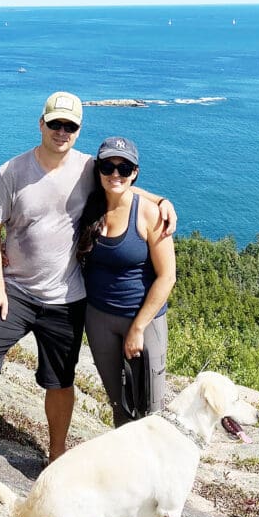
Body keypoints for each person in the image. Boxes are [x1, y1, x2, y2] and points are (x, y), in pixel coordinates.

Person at [0, 91, 176, 493]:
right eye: (55, 124)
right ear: (40, 124)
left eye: (70, 126)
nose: (62, 131)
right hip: (17, 293)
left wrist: (162, 200)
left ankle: (56, 456)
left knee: (59, 382)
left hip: (68, 298)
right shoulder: (11, 172)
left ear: (78, 131)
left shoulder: (87, 169)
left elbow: (121, 184)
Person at [78, 136, 177, 428]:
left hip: (143, 320)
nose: (115, 174)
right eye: (108, 166)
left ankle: (155, 471)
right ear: (98, 169)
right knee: (119, 403)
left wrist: (137, 328)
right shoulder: (88, 205)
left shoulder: (149, 213)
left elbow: (167, 276)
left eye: (125, 168)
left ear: (135, 172)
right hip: (98, 318)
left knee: (150, 407)